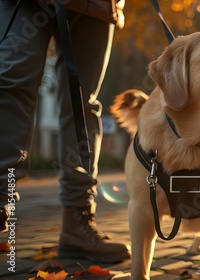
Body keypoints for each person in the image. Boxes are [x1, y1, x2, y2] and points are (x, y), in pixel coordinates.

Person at [0, 0, 129, 263]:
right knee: (13, 83)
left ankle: (78, 221)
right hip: (25, 4)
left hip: (98, 4)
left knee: (82, 104)